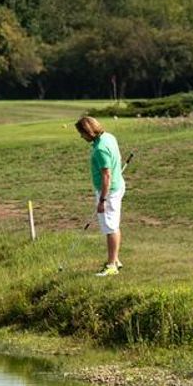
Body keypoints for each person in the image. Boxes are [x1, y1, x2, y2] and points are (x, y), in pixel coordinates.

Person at [76, 115, 124, 276]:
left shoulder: (100, 149)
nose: (81, 137)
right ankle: (115, 260)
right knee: (113, 225)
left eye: (82, 133)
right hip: (116, 186)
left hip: (108, 191)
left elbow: (106, 176)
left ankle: (111, 266)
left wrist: (102, 200)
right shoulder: (108, 137)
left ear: (88, 131)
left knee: (110, 228)